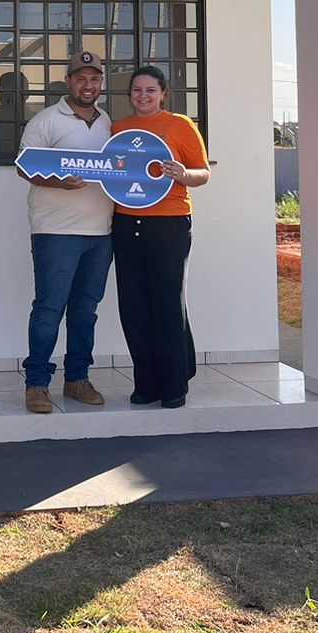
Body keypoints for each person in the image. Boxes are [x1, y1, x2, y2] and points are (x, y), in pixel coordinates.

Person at [14, 50, 114, 414]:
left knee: (86, 311)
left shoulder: (108, 123)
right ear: (68, 81)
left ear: (100, 83)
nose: (88, 85)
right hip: (55, 231)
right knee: (49, 308)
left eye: (94, 79)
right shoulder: (45, 120)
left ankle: (77, 379)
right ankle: (37, 384)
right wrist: (58, 182)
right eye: (81, 78)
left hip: (101, 232)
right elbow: (25, 168)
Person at [110, 64, 211, 408]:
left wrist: (185, 174)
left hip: (170, 223)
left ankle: (174, 384)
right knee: (134, 305)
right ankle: (146, 383)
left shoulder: (180, 126)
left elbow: (203, 173)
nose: (143, 96)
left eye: (150, 90)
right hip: (126, 224)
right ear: (130, 95)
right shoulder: (118, 128)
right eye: (137, 90)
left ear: (163, 93)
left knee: (167, 302)